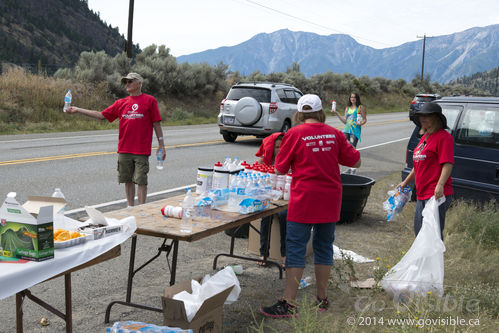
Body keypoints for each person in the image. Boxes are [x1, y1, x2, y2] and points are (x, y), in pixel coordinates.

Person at [260, 94, 361, 318]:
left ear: (300, 113)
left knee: (295, 249)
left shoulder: (294, 134)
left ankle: (289, 303)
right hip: (330, 198)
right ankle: (321, 299)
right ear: (320, 112)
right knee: (324, 247)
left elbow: (279, 169)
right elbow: (356, 161)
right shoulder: (334, 134)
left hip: (304, 198)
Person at [66, 72, 166, 207]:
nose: (127, 84)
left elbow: (156, 124)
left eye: (130, 81)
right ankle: (130, 207)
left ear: (139, 83)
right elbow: (101, 115)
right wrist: (78, 109)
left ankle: (142, 209)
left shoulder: (149, 100)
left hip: (141, 150)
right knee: (127, 180)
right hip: (124, 149)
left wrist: (161, 145)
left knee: (141, 180)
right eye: (126, 82)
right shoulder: (121, 103)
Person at [397, 102, 454, 240]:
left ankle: (434, 261)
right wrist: (405, 182)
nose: (423, 118)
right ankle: (423, 261)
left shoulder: (444, 137)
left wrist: (440, 185)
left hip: (435, 194)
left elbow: (447, 163)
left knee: (432, 235)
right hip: (422, 193)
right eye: (421, 115)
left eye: (427, 116)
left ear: (436, 118)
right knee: (419, 232)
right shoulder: (424, 137)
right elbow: (418, 165)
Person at [255, 132, 287, 268]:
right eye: (276, 147)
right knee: (265, 215)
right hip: (268, 197)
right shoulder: (264, 161)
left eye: (281, 147)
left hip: (284, 198)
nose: (279, 150)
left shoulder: (289, 160)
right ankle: (263, 253)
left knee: (283, 215)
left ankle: (285, 255)